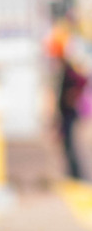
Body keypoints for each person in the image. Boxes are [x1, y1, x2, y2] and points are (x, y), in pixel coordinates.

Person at [46, 12, 88, 182]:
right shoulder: (65, 70)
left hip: (69, 111)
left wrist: (74, 96)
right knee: (67, 144)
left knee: (71, 145)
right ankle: (73, 174)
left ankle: (76, 175)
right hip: (66, 111)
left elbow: (82, 80)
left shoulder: (70, 69)